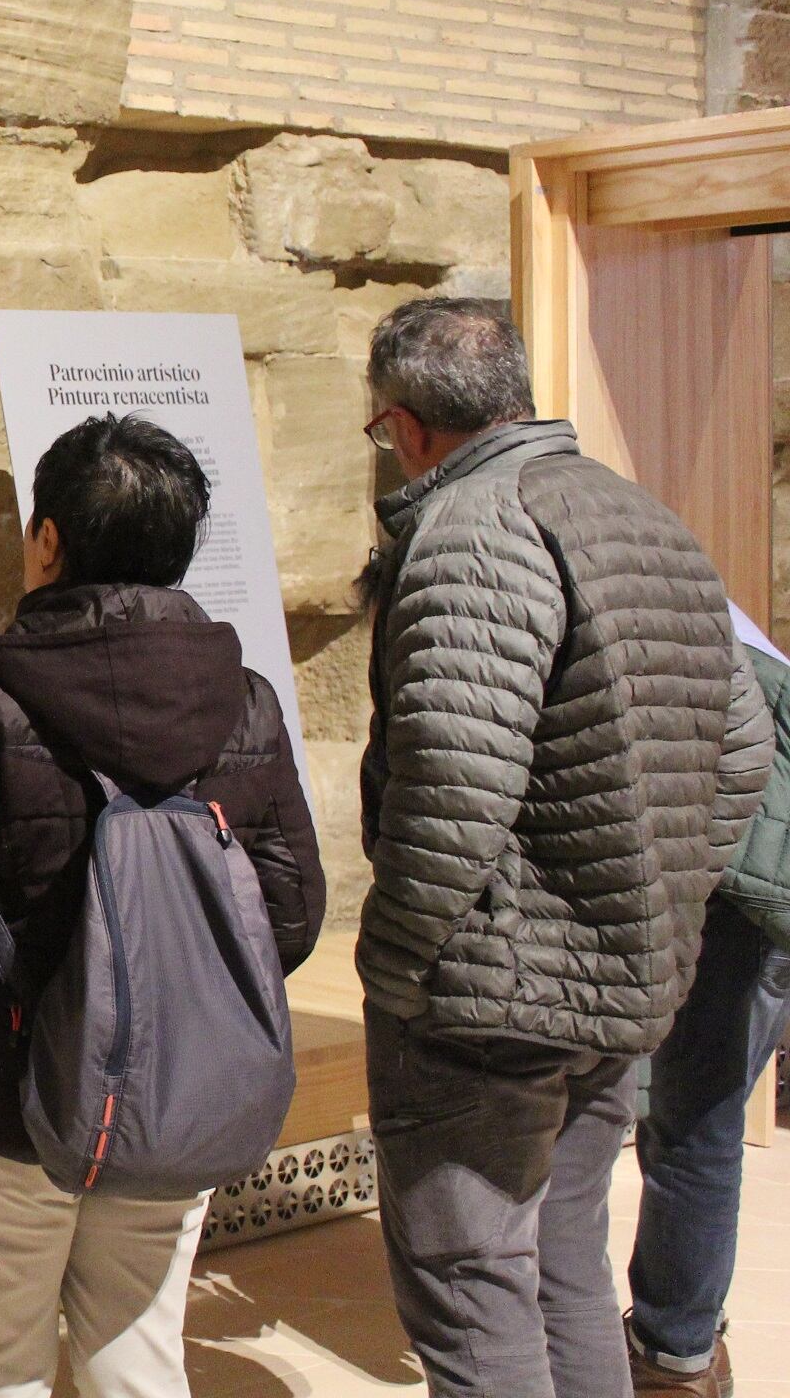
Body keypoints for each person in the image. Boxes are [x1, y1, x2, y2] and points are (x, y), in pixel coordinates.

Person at [0, 413, 323, 1398]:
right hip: (172, 1093)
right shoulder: (242, 701)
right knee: (140, 1350)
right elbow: (289, 907)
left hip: (3, 1086)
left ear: (49, 541)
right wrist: (178, 1009)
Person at [354, 297, 770, 1398]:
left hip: (490, 1002)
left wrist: (394, 964)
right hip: (625, 982)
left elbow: (453, 786)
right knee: (563, 1265)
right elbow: (741, 750)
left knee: (473, 1283)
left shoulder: (474, 530)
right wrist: (660, 902)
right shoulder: (647, 518)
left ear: (402, 425)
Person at [626, 605, 790, 1396]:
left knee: (696, 1125)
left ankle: (674, 1354)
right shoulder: (680, 582)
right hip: (753, 873)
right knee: (690, 1121)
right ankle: (684, 1338)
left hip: (747, 885)